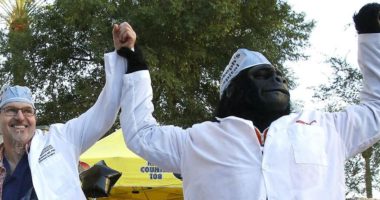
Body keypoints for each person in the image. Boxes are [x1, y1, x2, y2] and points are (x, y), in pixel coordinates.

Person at [118, 3, 380, 200]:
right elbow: (142, 133)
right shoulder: (198, 141)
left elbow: (376, 108)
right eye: (262, 75)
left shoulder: (326, 129)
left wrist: (372, 37)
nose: (277, 81)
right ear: (233, 91)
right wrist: (134, 63)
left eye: (279, 76)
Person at [0, 25, 129, 199]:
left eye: (27, 111)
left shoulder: (60, 139)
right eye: (11, 110)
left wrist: (123, 56)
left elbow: (105, 111)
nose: (20, 117)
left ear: (35, 117)